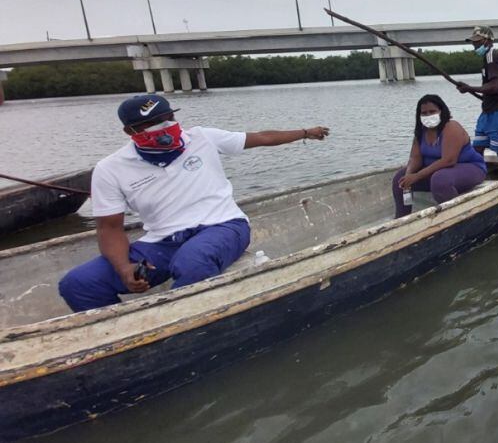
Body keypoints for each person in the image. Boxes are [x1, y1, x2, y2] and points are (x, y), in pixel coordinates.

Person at [58, 94, 330, 312]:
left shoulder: (201, 137)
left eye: (168, 118)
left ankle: (175, 327)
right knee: (78, 284)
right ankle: (124, 336)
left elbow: (262, 137)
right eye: (152, 123)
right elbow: (109, 228)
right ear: (130, 131)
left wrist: (306, 132)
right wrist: (124, 268)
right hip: (162, 242)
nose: (164, 126)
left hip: (223, 225)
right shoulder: (110, 169)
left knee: (192, 261)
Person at [392, 94, 488, 217]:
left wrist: (417, 176)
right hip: (435, 171)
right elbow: (415, 158)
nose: (428, 115)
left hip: (469, 168)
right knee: (399, 179)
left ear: (441, 111)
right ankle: (401, 218)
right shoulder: (421, 131)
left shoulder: (451, 126)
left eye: (432, 111)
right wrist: (408, 175)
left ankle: (456, 216)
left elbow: (449, 160)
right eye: (424, 113)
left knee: (440, 180)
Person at [457, 25, 498, 177]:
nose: (474, 44)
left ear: (488, 41)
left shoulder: (492, 57)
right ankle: (477, 178)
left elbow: (495, 87)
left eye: (477, 41)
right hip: (488, 112)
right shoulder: (487, 58)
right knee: (477, 148)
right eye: (473, 41)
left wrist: (469, 88)